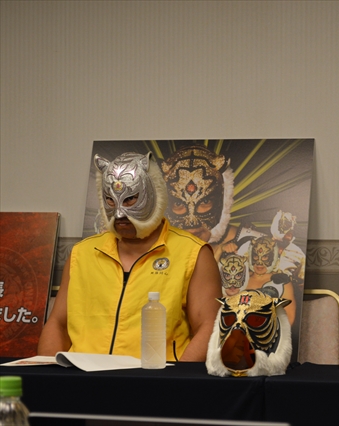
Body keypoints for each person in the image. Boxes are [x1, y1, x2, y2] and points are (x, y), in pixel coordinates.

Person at [38, 152, 222, 362]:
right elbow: (58, 324)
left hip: (154, 378)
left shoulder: (193, 253)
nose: (119, 214)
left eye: (130, 199)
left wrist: (177, 378)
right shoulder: (82, 253)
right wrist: (48, 371)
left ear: (154, 193)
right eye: (110, 200)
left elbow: (209, 327)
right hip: (82, 377)